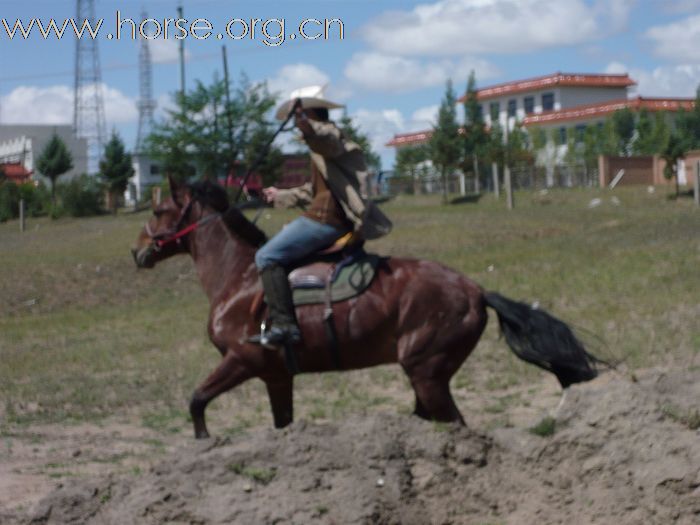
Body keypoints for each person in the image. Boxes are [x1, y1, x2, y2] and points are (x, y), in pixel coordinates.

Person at [251, 94, 392, 347]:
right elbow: (313, 192)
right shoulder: (320, 152)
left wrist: (307, 126)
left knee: (265, 256)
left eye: (300, 118)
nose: (296, 125)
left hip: (326, 220)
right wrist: (278, 195)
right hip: (320, 215)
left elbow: (324, 139)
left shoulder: (331, 137)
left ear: (311, 115)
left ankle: (285, 325)